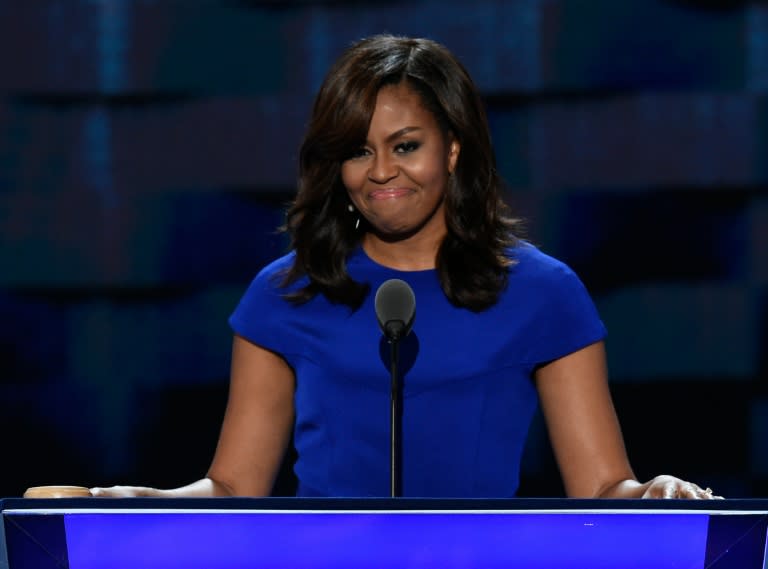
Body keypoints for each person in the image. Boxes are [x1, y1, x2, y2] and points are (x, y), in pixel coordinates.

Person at [89, 34, 718, 500]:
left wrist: (653, 493)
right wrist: (140, 502)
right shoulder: (286, 292)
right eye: (358, 151)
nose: (382, 172)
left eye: (406, 146)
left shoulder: (542, 292)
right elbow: (233, 489)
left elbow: (603, 488)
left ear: (451, 148)